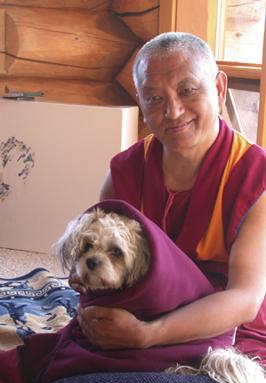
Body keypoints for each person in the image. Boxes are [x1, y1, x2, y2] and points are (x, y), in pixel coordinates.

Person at [77, 32, 266, 364]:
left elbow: (245, 298)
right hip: (143, 310)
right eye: (153, 98)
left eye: (187, 90)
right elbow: (100, 257)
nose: (173, 111)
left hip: (227, 332)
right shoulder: (125, 172)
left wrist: (148, 335)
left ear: (219, 88)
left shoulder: (255, 177)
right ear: (141, 102)